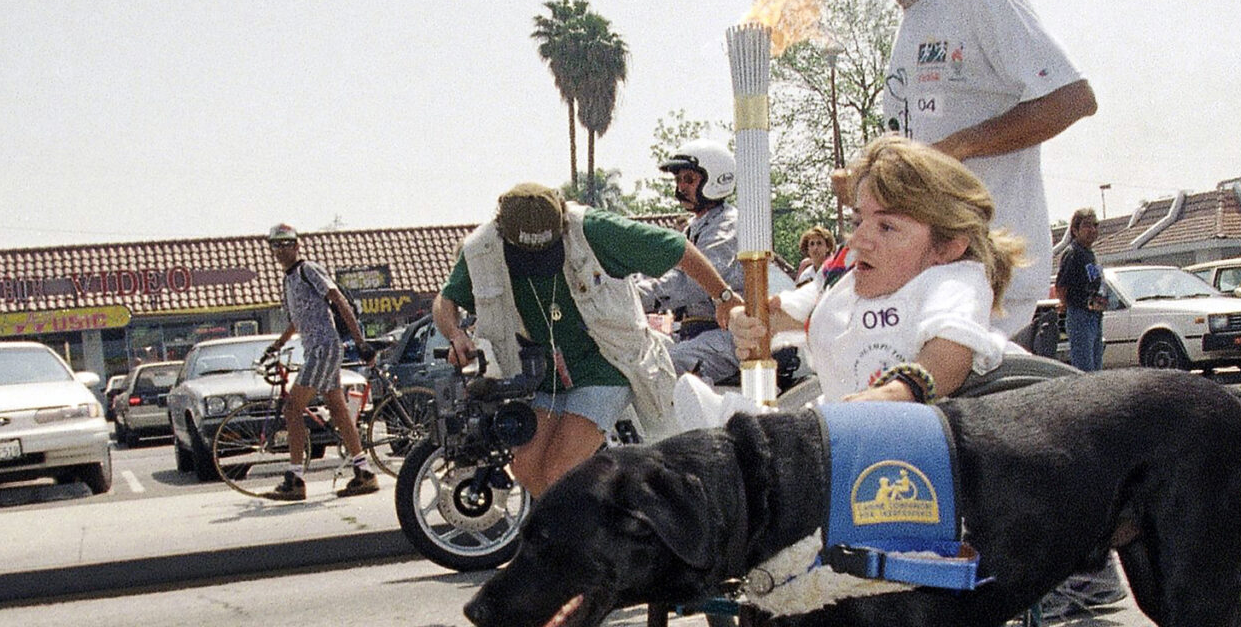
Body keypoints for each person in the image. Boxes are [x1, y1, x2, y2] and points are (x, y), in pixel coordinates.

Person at [838, 0, 1096, 344]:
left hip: (989, 279)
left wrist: (955, 148)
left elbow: (1073, 99)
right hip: (930, 276)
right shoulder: (908, 26)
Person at [430, 183, 738, 497]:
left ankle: (586, 537)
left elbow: (677, 249)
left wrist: (724, 296)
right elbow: (446, 299)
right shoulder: (482, 247)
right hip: (546, 374)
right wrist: (456, 334)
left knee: (560, 469)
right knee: (526, 468)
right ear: (502, 233)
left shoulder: (594, 228)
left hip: (607, 362)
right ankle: (568, 534)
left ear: (561, 223)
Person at [722, 135, 1015, 405]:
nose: (859, 240)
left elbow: (950, 353)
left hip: (929, 447)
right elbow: (773, 315)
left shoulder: (955, 280)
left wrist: (891, 395)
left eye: (886, 227)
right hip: (858, 434)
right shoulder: (843, 275)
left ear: (948, 247)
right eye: (858, 222)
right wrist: (746, 322)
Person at [260, 224, 377, 500]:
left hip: (325, 348)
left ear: (297, 245)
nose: (280, 250)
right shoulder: (288, 281)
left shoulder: (307, 270)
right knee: (337, 408)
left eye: (286, 244)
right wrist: (277, 344)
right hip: (313, 349)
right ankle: (364, 472)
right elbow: (296, 320)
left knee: (292, 408)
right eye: (275, 245)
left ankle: (295, 479)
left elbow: (337, 299)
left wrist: (360, 342)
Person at [644, 143, 748, 387]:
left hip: (727, 336)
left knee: (657, 367)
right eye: (678, 180)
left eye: (688, 179)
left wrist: (638, 296)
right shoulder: (697, 226)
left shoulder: (727, 225)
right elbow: (663, 269)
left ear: (715, 180)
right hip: (696, 332)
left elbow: (695, 282)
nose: (680, 188)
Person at [1055, 207, 1110, 371]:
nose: (1092, 230)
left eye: (1095, 225)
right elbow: (1061, 285)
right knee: (1085, 369)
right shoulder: (1073, 253)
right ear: (1075, 230)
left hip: (1095, 314)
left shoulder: (1089, 254)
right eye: (1087, 225)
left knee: (1096, 369)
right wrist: (1066, 306)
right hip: (1080, 315)